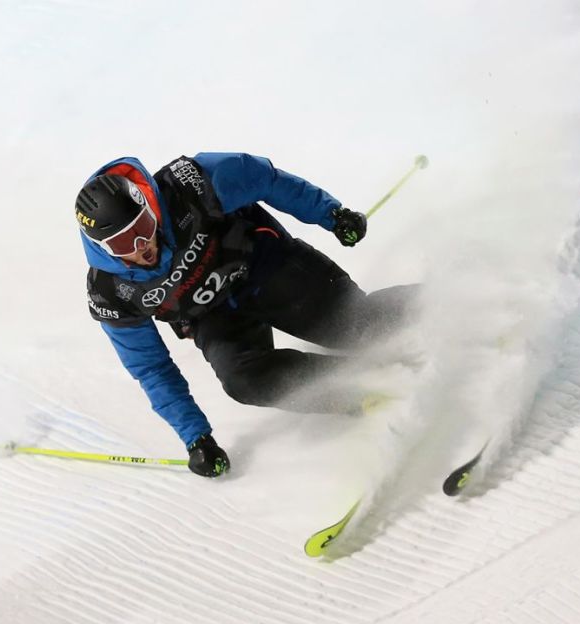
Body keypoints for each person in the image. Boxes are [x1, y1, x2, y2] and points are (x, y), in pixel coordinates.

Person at [75, 153, 413, 478]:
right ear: (103, 247)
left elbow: (264, 178)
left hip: (265, 267)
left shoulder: (188, 185)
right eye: (122, 243)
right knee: (245, 380)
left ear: (149, 205)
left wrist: (332, 214)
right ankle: (365, 391)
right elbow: (151, 367)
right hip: (214, 316)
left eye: (144, 224)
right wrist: (196, 438)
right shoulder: (110, 291)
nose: (142, 244)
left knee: (359, 329)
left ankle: (448, 299)